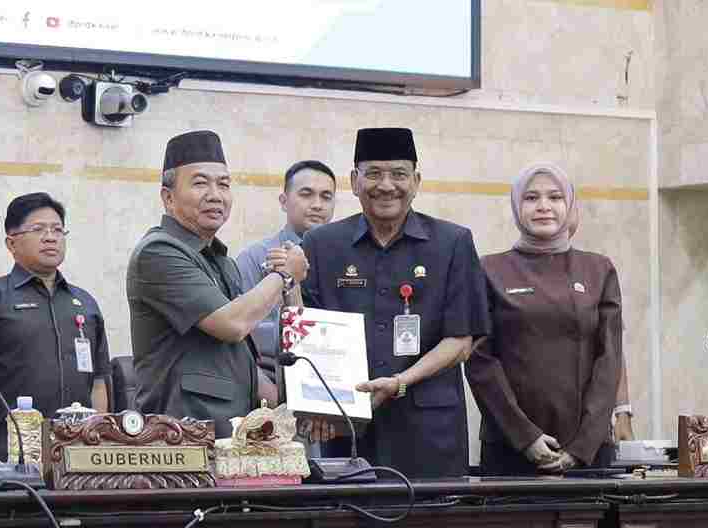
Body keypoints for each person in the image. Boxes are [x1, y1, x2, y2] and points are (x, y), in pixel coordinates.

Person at [300, 127, 490, 477]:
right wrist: (316, 405)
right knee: (348, 511)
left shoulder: (453, 243)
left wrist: (400, 381)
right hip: (349, 426)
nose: (386, 185)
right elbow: (307, 333)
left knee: (432, 513)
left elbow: (461, 341)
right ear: (354, 181)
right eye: (373, 173)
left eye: (399, 174)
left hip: (430, 430)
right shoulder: (321, 244)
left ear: (416, 181)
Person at [126, 130, 328, 440]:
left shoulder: (222, 261)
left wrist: (293, 412)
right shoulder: (158, 252)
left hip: (233, 433)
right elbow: (232, 324)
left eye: (223, 184)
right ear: (168, 197)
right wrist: (284, 275)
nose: (215, 195)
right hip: (181, 436)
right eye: (200, 183)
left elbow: (241, 357)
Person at [465, 163, 623, 475]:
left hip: (587, 451)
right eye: (531, 197)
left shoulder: (599, 269)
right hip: (510, 447)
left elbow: (610, 359)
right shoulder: (488, 269)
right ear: (516, 205)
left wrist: (582, 447)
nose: (543, 206)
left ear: (569, 204)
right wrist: (526, 437)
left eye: (555, 197)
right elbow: (479, 360)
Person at [0, 192, 110, 469]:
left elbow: (97, 381)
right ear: (11, 243)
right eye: (38, 229)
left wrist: (99, 446)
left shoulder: (85, 303)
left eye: (57, 230)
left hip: (77, 458)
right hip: (7, 456)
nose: (50, 237)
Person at [236, 160, 337, 382]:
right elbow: (239, 333)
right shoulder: (255, 258)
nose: (317, 205)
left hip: (332, 378)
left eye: (326, 197)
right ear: (284, 201)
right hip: (268, 381)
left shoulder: (342, 260)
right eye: (306, 194)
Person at [567, 202, 636, 442]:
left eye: (563, 202)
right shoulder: (508, 269)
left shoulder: (595, 270)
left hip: (589, 422)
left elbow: (612, 349)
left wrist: (623, 411)